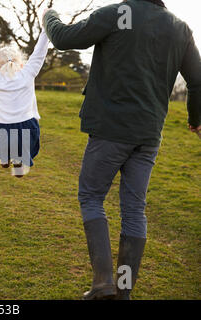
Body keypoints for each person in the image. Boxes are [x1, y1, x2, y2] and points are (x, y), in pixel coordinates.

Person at [43, 0, 200, 300]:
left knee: (91, 196)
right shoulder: (179, 27)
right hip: (148, 135)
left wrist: (49, 15)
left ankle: (103, 282)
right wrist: (196, 119)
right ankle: (123, 291)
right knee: (133, 210)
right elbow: (198, 80)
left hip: (110, 131)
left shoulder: (117, 14)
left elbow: (62, 38)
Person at [0, 31, 49, 177]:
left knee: (4, 140)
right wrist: (45, 29)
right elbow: (40, 52)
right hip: (27, 125)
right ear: (21, 64)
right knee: (21, 146)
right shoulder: (28, 72)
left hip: (2, 126)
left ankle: (4, 157)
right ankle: (18, 160)